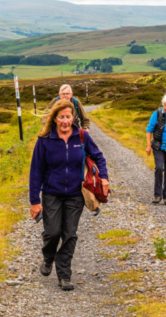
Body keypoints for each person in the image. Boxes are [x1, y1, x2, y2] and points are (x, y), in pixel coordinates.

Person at [29, 99, 109, 291]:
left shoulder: (81, 137)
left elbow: (98, 156)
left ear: (73, 117)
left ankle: (64, 275)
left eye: (68, 116)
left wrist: (104, 178)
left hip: (75, 195)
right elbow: (36, 171)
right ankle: (49, 258)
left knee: (70, 234)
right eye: (61, 117)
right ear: (55, 118)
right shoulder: (45, 140)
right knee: (52, 232)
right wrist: (34, 201)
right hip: (51, 194)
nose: (65, 121)